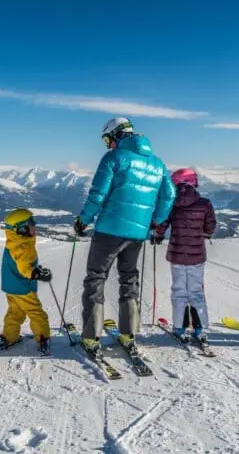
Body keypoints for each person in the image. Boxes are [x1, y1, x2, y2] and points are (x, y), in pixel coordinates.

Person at [73, 117, 176, 357]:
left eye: (108, 140)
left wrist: (83, 220)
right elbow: (169, 194)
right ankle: (128, 334)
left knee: (96, 278)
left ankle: (90, 337)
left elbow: (98, 194)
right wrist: (156, 221)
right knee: (129, 278)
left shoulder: (113, 158)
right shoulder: (158, 164)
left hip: (109, 230)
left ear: (117, 135)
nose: (108, 145)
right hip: (138, 234)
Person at [152, 168, 216, 343]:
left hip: (177, 256)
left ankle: (179, 328)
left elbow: (161, 226)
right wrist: (201, 234)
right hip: (197, 256)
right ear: (193, 182)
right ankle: (200, 328)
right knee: (196, 291)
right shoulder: (205, 203)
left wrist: (157, 237)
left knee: (179, 291)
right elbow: (210, 229)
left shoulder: (172, 203)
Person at [0, 208, 53, 355]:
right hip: (24, 288)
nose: (34, 225)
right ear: (21, 228)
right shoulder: (24, 246)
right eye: (31, 223)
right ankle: (43, 338)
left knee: (15, 313)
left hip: (11, 287)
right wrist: (37, 274)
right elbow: (25, 268)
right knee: (36, 313)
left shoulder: (12, 243)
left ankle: (10, 337)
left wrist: (35, 270)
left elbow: (20, 264)